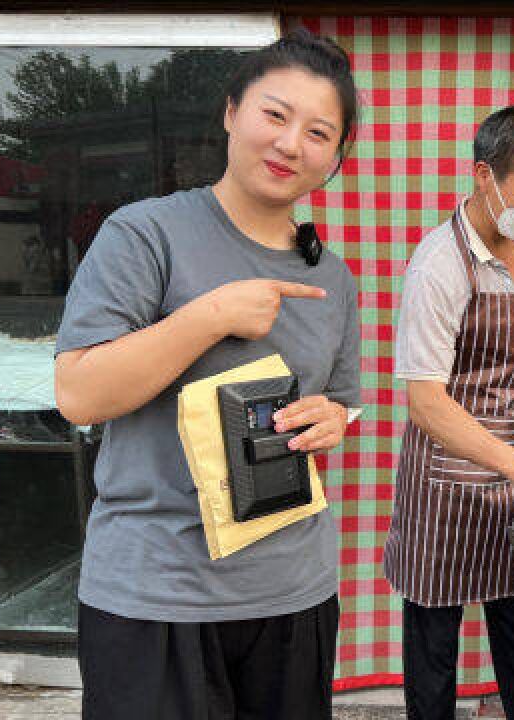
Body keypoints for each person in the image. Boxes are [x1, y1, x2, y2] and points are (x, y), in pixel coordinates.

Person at [54, 29, 360, 719]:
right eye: (274, 115)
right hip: (154, 592)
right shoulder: (143, 235)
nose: (289, 145)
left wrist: (333, 420)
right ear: (231, 113)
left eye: (318, 132)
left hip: (293, 591)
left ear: (336, 157)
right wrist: (209, 316)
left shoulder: (332, 278)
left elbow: (342, 403)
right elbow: (78, 393)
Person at [383, 105, 514, 720]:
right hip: (447, 485)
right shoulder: (438, 266)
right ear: (483, 176)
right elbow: (426, 401)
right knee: (434, 644)